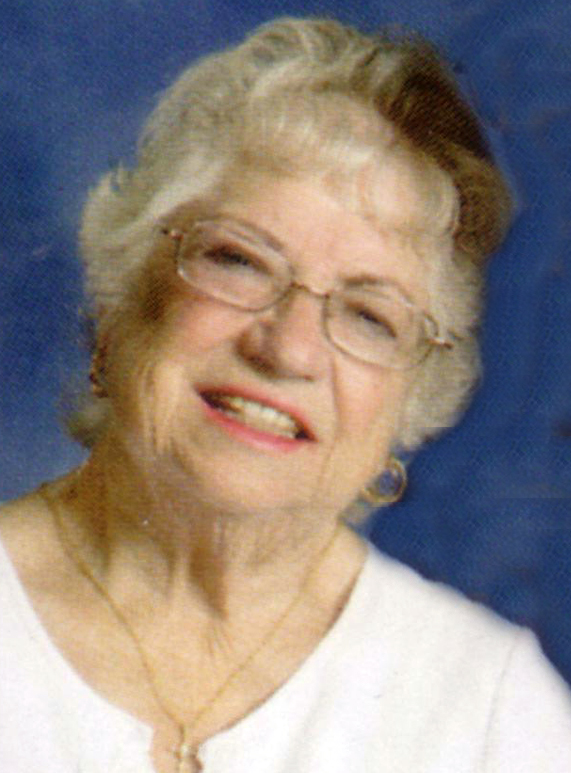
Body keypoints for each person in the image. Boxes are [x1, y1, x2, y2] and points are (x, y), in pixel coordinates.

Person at [0, 16, 570, 773]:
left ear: (411, 399)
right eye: (239, 261)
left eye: (369, 316)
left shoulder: (492, 711)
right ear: (121, 293)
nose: (288, 348)